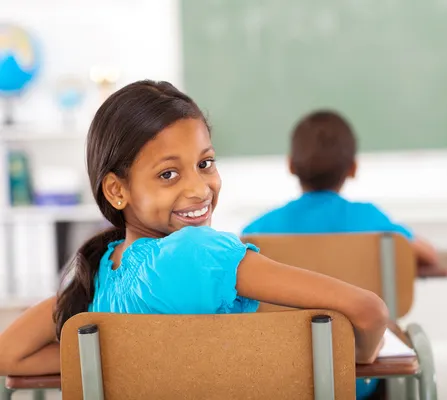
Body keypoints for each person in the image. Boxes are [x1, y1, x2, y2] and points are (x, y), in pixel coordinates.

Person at [0, 82, 388, 383]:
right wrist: (362, 356)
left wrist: (110, 363)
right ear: (117, 190)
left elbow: (9, 351)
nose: (199, 189)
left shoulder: (98, 272)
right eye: (168, 174)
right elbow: (368, 311)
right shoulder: (201, 253)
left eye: (205, 163)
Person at [241, 110, 439, 399]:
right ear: (353, 168)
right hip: (364, 375)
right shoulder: (372, 222)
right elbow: (429, 255)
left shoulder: (257, 232)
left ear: (290, 165)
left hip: (282, 377)